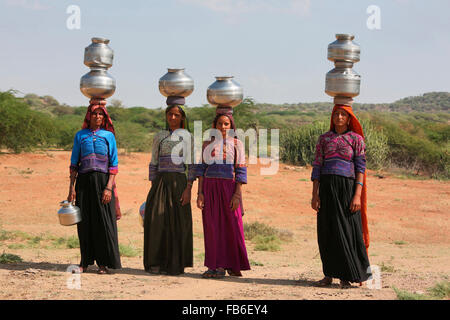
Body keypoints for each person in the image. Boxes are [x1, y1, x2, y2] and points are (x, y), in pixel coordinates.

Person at [310, 104, 371, 288]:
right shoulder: (324, 139)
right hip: (327, 188)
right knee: (327, 230)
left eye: (343, 114)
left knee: (346, 230)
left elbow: (361, 168)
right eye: (336, 114)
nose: (339, 117)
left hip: (347, 188)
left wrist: (357, 195)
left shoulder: (356, 139)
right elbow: (317, 166)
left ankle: (346, 276)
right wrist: (315, 194)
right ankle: (329, 274)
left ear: (349, 118)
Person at [68, 98, 122, 275]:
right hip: (83, 183)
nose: (98, 116)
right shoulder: (80, 135)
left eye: (101, 114)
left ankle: (103, 263)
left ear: (104, 117)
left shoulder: (109, 136)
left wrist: (108, 188)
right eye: (95, 113)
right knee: (84, 223)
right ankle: (84, 262)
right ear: (89, 116)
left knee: (103, 223)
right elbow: (74, 163)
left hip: (103, 182)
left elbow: (113, 165)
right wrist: (71, 189)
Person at [143, 96, 195, 276]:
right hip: (160, 182)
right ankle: (156, 263)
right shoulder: (159, 136)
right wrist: (153, 186)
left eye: (176, 115)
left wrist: (188, 189)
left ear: (182, 118)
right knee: (157, 220)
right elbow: (153, 162)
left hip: (179, 182)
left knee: (177, 224)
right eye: (170, 115)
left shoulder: (188, 137)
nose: (173, 118)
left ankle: (175, 264)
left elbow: (191, 165)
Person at [196, 107, 250, 279]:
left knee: (231, 226)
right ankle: (215, 265)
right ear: (214, 125)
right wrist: (200, 193)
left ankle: (231, 264)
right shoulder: (207, 144)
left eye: (226, 124)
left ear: (231, 125)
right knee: (212, 227)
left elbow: (241, 170)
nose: (223, 127)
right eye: (220, 123)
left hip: (229, 189)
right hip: (210, 189)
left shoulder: (237, 144)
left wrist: (237, 195)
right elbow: (201, 170)